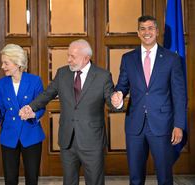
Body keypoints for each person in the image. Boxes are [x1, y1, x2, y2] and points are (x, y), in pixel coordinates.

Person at [19, 39, 119, 185]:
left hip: (92, 141)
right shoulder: (62, 73)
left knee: (95, 182)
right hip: (68, 140)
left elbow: (111, 101)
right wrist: (31, 107)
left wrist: (117, 101)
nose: (68, 59)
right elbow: (47, 94)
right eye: (68, 55)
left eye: (73, 57)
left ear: (86, 58)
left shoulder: (103, 76)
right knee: (69, 181)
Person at [111, 15, 186, 185]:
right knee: (136, 178)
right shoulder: (128, 58)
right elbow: (122, 86)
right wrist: (118, 95)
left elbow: (179, 95)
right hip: (134, 125)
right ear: (138, 33)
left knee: (165, 177)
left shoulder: (171, 58)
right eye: (143, 29)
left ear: (157, 31)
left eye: (150, 28)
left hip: (163, 124)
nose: (147, 32)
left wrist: (179, 125)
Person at [0, 44, 45, 185]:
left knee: (32, 179)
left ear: (18, 63)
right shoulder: (1, 84)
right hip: (9, 136)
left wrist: (32, 115)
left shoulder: (34, 80)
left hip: (31, 135)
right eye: (3, 62)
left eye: (6, 63)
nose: (2, 66)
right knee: (10, 179)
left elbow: (41, 107)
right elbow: (0, 110)